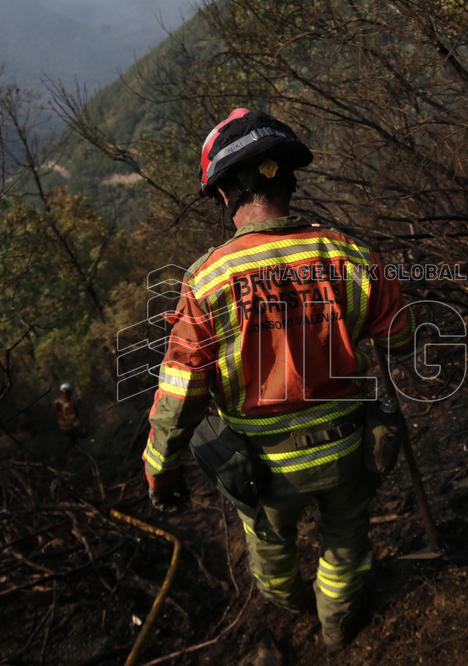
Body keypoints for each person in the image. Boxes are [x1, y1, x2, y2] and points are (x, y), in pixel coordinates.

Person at [141, 108, 414, 650]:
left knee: (270, 557)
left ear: (224, 194)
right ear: (288, 179)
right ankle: (337, 628)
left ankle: (294, 606)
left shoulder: (208, 279)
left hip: (263, 473)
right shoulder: (350, 253)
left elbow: (181, 393)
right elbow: (400, 341)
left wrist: (159, 470)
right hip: (347, 453)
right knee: (346, 546)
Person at [53, 382, 83, 447]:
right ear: (67, 392)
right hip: (69, 428)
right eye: (70, 392)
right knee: (74, 442)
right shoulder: (68, 405)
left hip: (60, 426)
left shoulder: (56, 401)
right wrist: (80, 429)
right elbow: (73, 420)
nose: (71, 394)